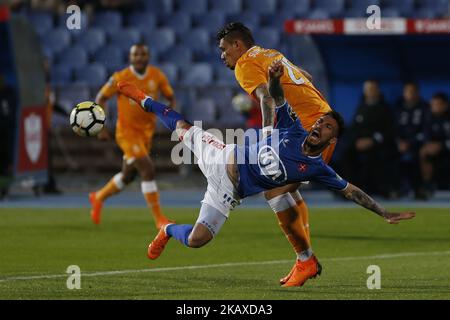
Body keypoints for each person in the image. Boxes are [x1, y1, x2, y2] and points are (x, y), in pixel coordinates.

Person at [115, 60, 415, 287]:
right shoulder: (293, 128)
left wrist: (383, 211)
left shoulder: (316, 167)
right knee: (180, 128)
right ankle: (142, 99)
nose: (319, 126)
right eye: (320, 121)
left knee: (197, 239)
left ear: (331, 140)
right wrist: (273, 79)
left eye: (327, 127)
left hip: (228, 193)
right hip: (221, 156)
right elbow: (277, 98)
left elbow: (350, 190)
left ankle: (166, 228)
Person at [216, 22, 331, 285]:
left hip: (308, 130)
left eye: (224, 49)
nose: (222, 55)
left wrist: (269, 137)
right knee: (287, 189)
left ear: (237, 45)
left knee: (274, 190)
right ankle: (306, 259)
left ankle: (305, 260)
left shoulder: (245, 64)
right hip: (323, 122)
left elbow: (267, 98)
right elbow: (307, 77)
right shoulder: (271, 53)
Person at [90, 44, 175, 228]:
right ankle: (159, 219)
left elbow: (170, 97)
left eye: (143, 54)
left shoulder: (157, 76)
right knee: (147, 169)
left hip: (146, 134)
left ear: (148, 56)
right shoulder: (120, 77)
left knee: (128, 176)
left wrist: (170, 117)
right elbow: (101, 98)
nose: (139, 57)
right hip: (127, 134)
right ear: (130, 57)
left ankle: (98, 197)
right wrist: (101, 126)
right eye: (135, 54)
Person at [343, 79, 398, 198]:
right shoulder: (361, 107)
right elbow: (353, 128)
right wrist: (356, 141)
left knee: (378, 156)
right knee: (345, 152)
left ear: (378, 91)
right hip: (360, 143)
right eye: (367, 89)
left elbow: (389, 131)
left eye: (372, 89)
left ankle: (382, 189)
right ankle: (350, 189)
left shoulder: (386, 109)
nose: (370, 92)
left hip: (379, 144)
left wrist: (373, 140)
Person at [394, 81, 428, 198]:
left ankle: (419, 189)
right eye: (408, 91)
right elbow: (394, 128)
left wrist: (410, 142)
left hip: (417, 143)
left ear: (418, 93)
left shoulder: (425, 108)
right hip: (399, 144)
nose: (410, 94)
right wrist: (399, 142)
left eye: (413, 91)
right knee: (389, 155)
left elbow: (426, 130)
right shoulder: (398, 107)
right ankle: (395, 189)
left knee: (417, 156)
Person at [419, 93, 450, 198]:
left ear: (445, 105)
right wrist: (429, 146)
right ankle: (427, 187)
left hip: (446, 148)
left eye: (438, 104)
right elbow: (426, 137)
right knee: (423, 152)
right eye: (433, 104)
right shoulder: (429, 117)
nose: (435, 107)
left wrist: (442, 145)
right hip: (436, 152)